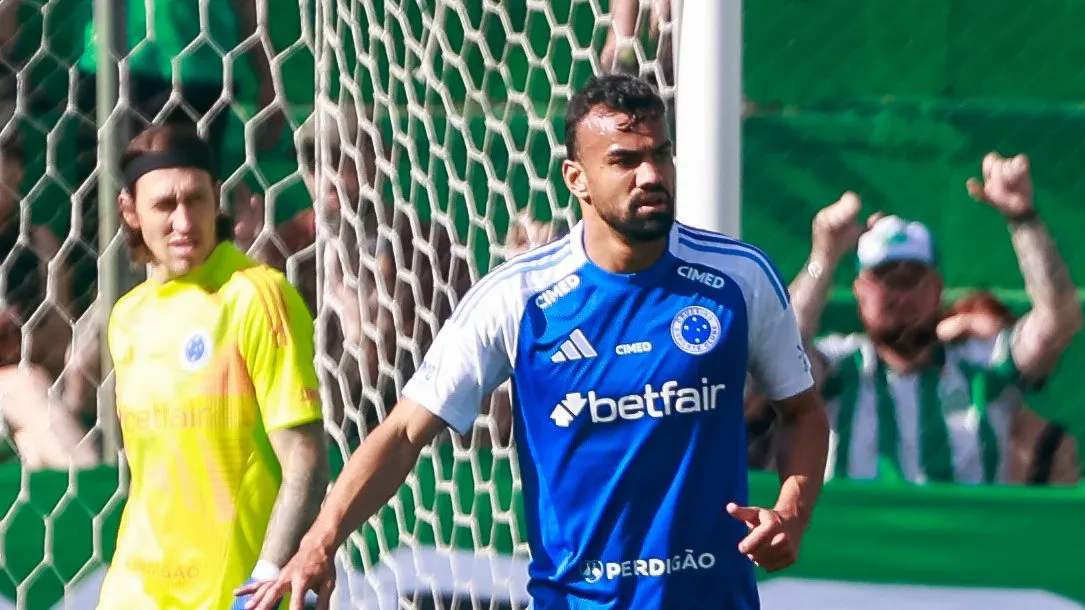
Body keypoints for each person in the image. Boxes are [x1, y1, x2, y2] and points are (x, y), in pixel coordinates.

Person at [238, 74, 829, 610]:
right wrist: (320, 542)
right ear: (577, 178)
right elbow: (402, 433)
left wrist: (792, 512)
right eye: (624, 161)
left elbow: (802, 412)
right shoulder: (518, 296)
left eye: (661, 155)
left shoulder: (738, 277)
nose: (650, 175)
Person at [95, 124, 328, 610]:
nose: (184, 221)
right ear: (130, 211)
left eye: (195, 200)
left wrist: (265, 578)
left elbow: (305, 458)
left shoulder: (256, 296)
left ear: (216, 199)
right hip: (134, 589)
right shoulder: (127, 318)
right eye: (164, 205)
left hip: (230, 594)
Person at [789, 153, 1081, 485]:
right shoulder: (840, 369)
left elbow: (1057, 320)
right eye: (885, 280)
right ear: (858, 290)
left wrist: (1023, 218)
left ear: (937, 288)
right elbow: (779, 351)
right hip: (860, 536)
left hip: (968, 535)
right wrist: (823, 258)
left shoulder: (985, 367)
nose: (900, 296)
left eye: (912, 278)